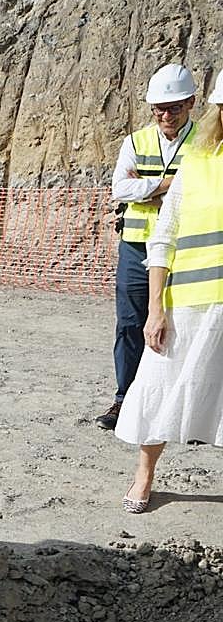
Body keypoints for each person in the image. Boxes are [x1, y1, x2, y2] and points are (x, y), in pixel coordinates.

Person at [115, 70, 223, 512]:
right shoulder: (197, 161)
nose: (166, 112)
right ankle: (144, 475)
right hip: (188, 300)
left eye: (175, 105)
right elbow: (163, 236)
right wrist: (156, 310)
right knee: (157, 385)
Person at [96, 64, 198, 430]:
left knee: (185, 327)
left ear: (191, 103)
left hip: (185, 250)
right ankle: (124, 400)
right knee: (129, 325)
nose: (166, 115)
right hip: (137, 248)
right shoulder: (135, 142)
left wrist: (146, 186)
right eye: (159, 109)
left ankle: (181, 409)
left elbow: (205, 191)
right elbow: (119, 189)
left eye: (174, 108)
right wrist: (169, 185)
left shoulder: (206, 141)